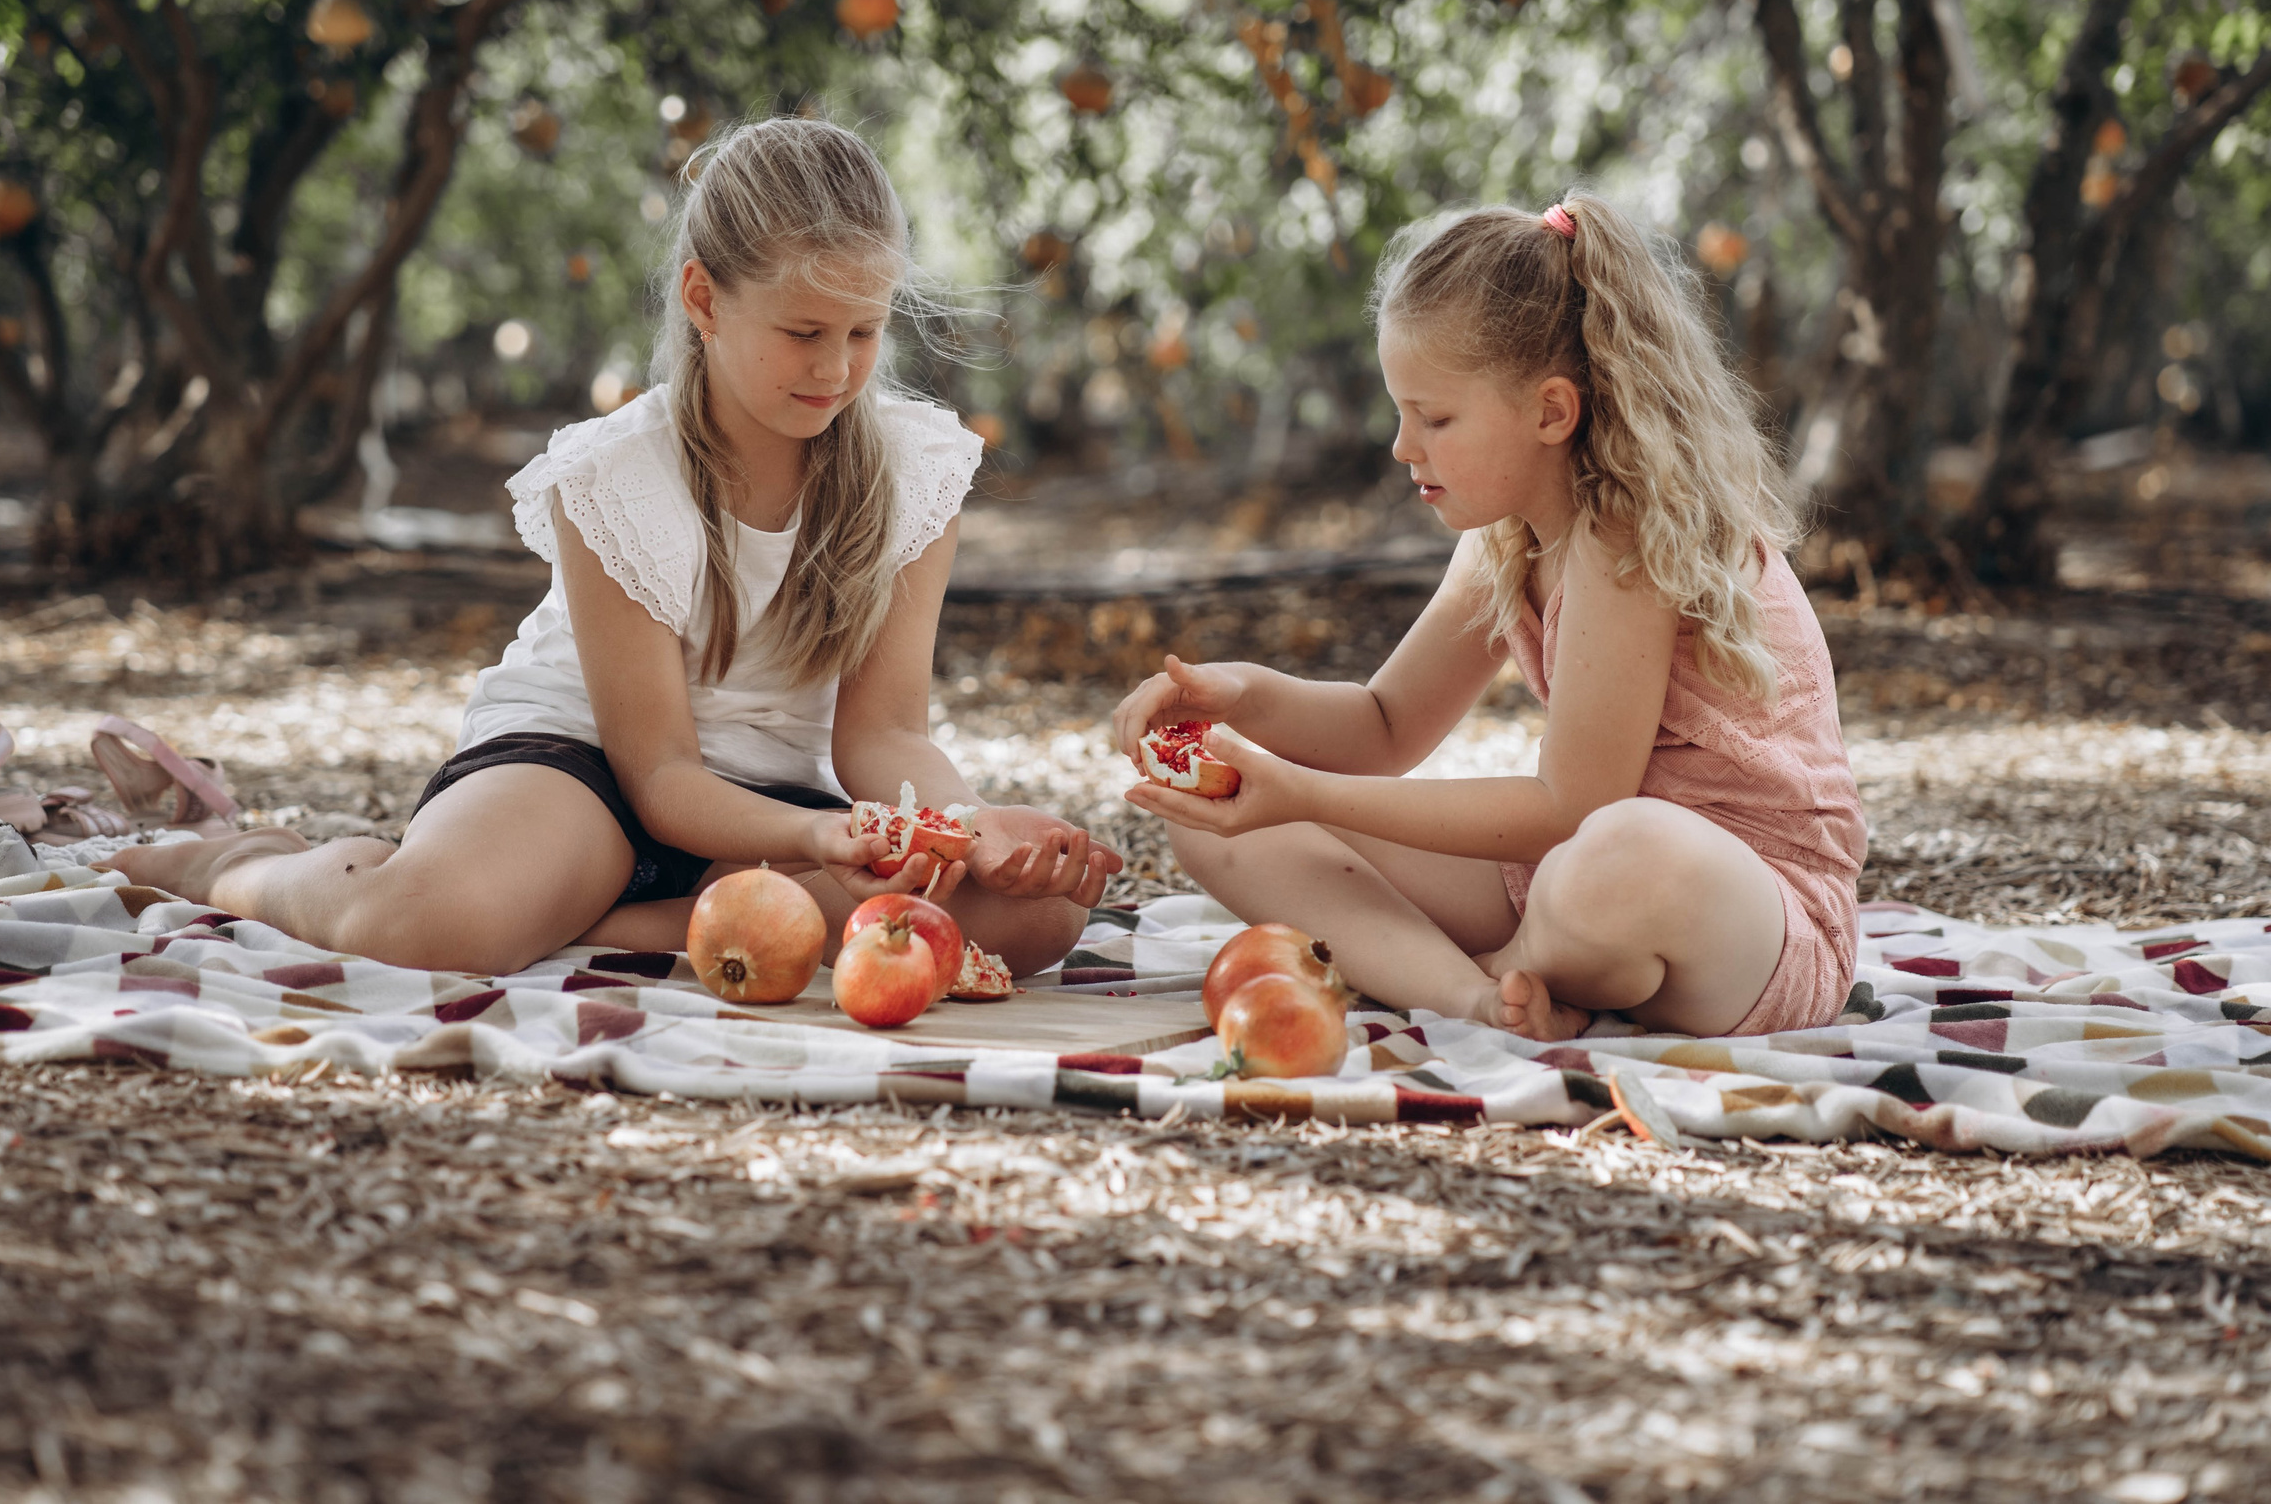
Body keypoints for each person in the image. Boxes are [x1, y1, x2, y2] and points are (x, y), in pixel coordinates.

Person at [115, 118, 1118, 975]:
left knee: (1035, 919)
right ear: (704, 298)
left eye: (863, 333)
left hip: (781, 809)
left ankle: (593, 926)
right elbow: (661, 777)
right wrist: (816, 841)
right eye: (803, 331)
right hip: (586, 773)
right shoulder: (617, 475)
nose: (837, 368)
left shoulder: (915, 469)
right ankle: (236, 859)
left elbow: (882, 736)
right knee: (423, 928)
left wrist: (969, 825)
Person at [1114, 195, 1864, 1041]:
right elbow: (1384, 723)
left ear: (1551, 411)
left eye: (1434, 417)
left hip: (1750, 922)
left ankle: (1511, 961)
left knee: (1619, 853)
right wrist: (1242, 697)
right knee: (1218, 829)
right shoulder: (1507, 535)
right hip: (1564, 877)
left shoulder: (1628, 535)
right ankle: (1479, 1001)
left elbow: (1571, 805)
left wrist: (1309, 791)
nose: (1403, 445)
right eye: (1402, 412)